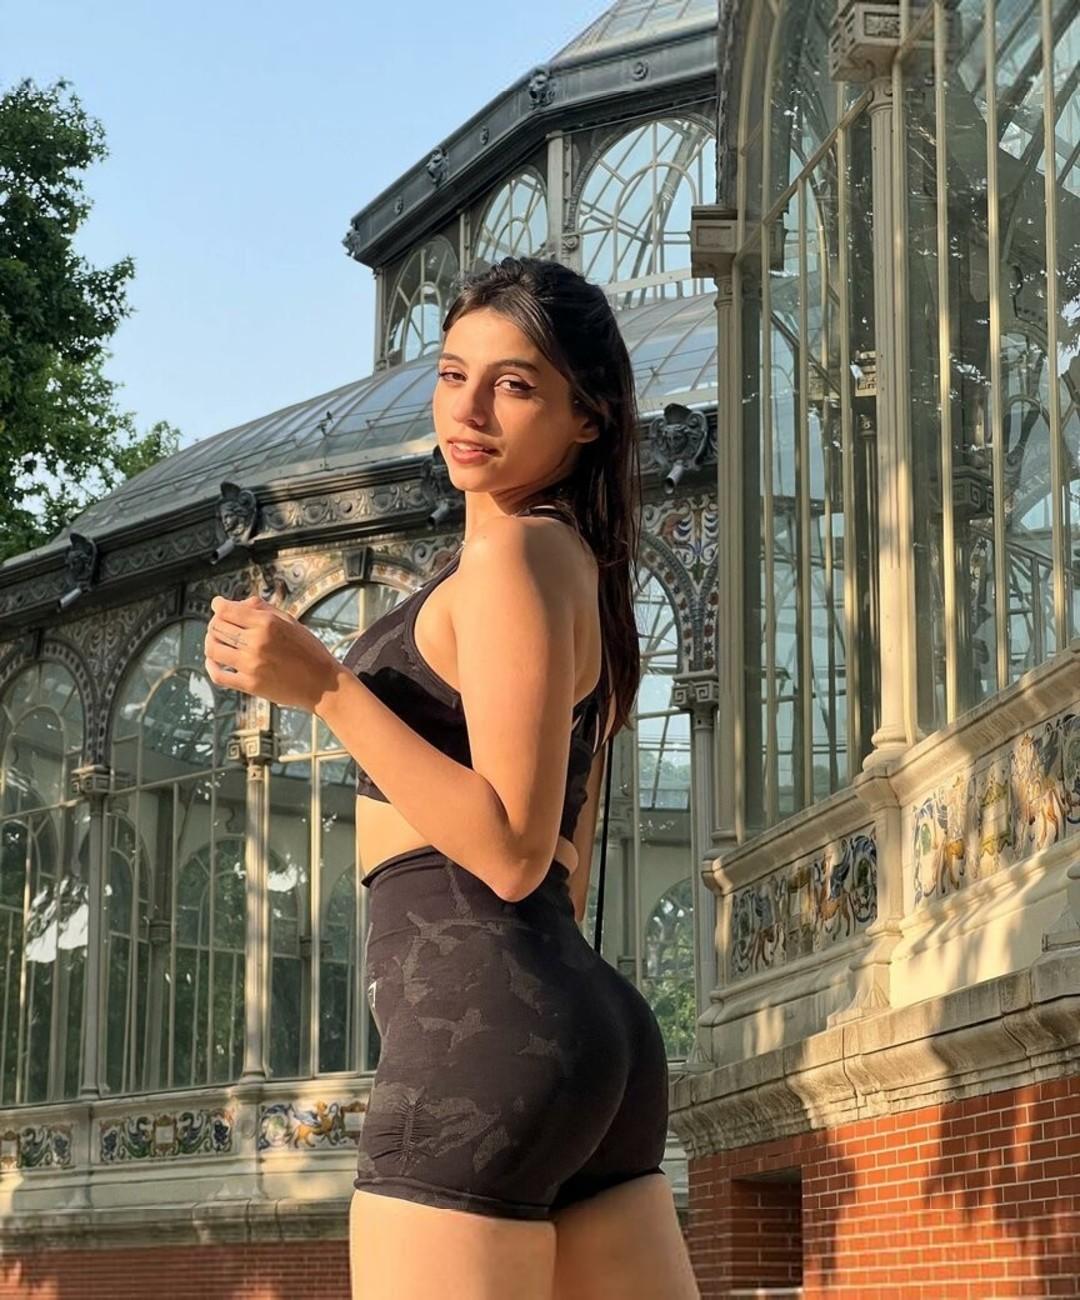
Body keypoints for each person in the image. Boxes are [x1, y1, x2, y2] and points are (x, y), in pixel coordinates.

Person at [204, 255, 700, 1300]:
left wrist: (327, 688)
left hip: (479, 1031)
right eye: (451, 374)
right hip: (585, 1032)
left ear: (588, 417)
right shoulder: (580, 573)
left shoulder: (513, 559)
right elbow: (564, 873)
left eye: (514, 385)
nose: (467, 411)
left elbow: (514, 853)